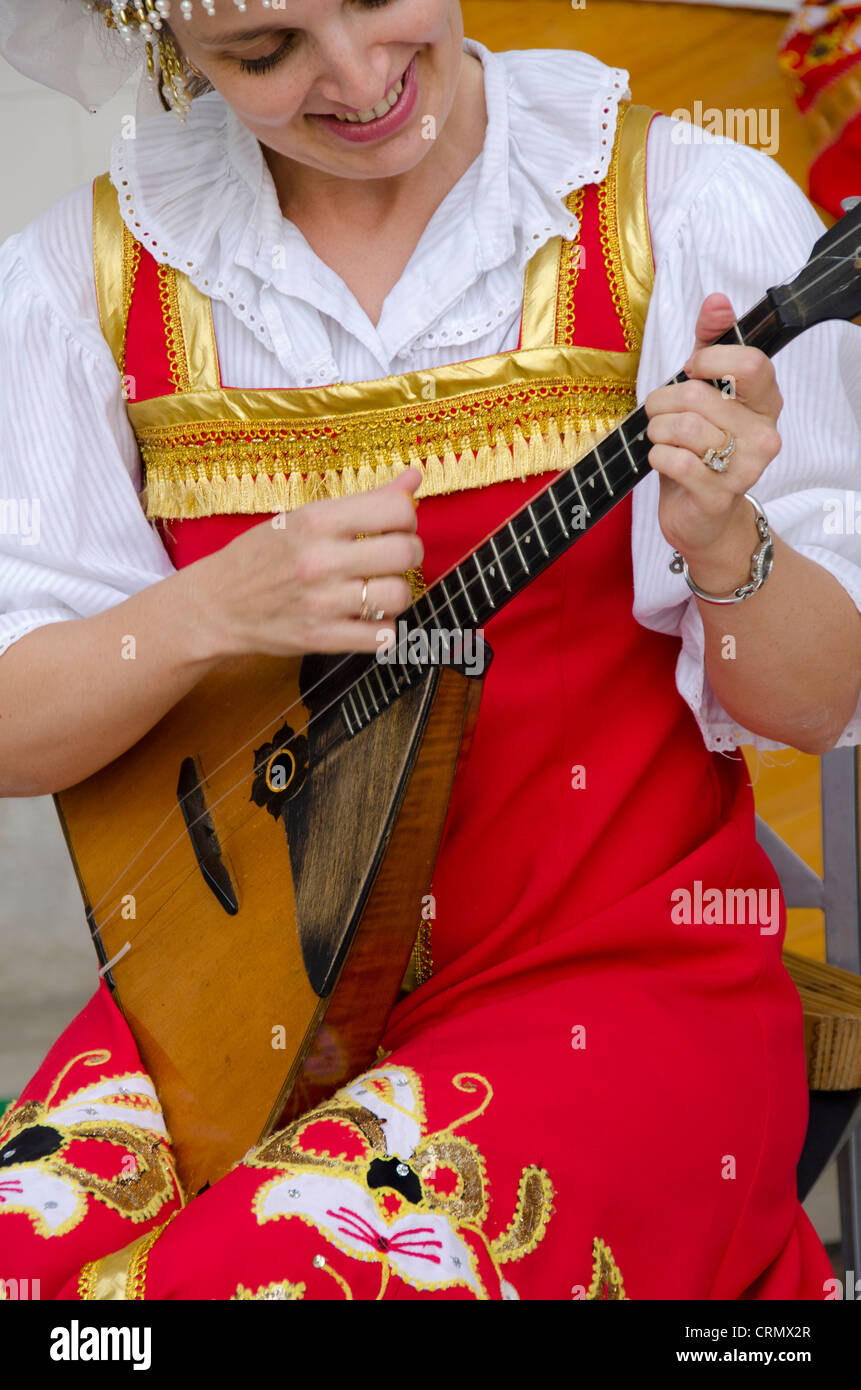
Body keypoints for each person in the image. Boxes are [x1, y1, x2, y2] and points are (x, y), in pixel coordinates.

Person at [0, 0, 860, 1302]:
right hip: (233, 1003)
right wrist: (203, 613)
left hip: (611, 988)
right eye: (265, 51)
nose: (358, 79)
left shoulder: (679, 206)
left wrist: (724, 541)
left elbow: (819, 700)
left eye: (367, 0)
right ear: (169, 45)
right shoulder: (92, 275)